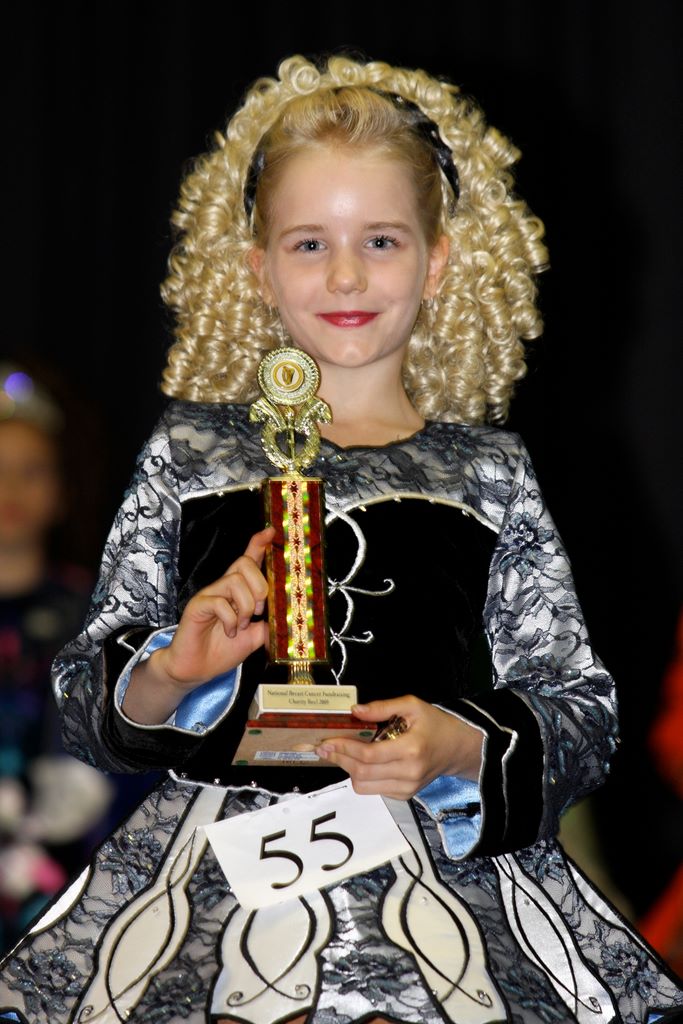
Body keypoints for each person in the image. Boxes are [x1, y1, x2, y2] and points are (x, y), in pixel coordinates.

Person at [0, 53, 680, 1024]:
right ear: (257, 266)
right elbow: (81, 700)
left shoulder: (485, 469)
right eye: (310, 242)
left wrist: (458, 743)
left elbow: (581, 709)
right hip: (217, 886)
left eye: (381, 240)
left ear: (438, 259)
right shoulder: (192, 452)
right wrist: (171, 669)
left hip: (443, 885)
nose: (346, 274)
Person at [0, 365, 113, 951]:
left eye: (31, 470)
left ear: (64, 486)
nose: (10, 489)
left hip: (67, 905)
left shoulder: (99, 615)